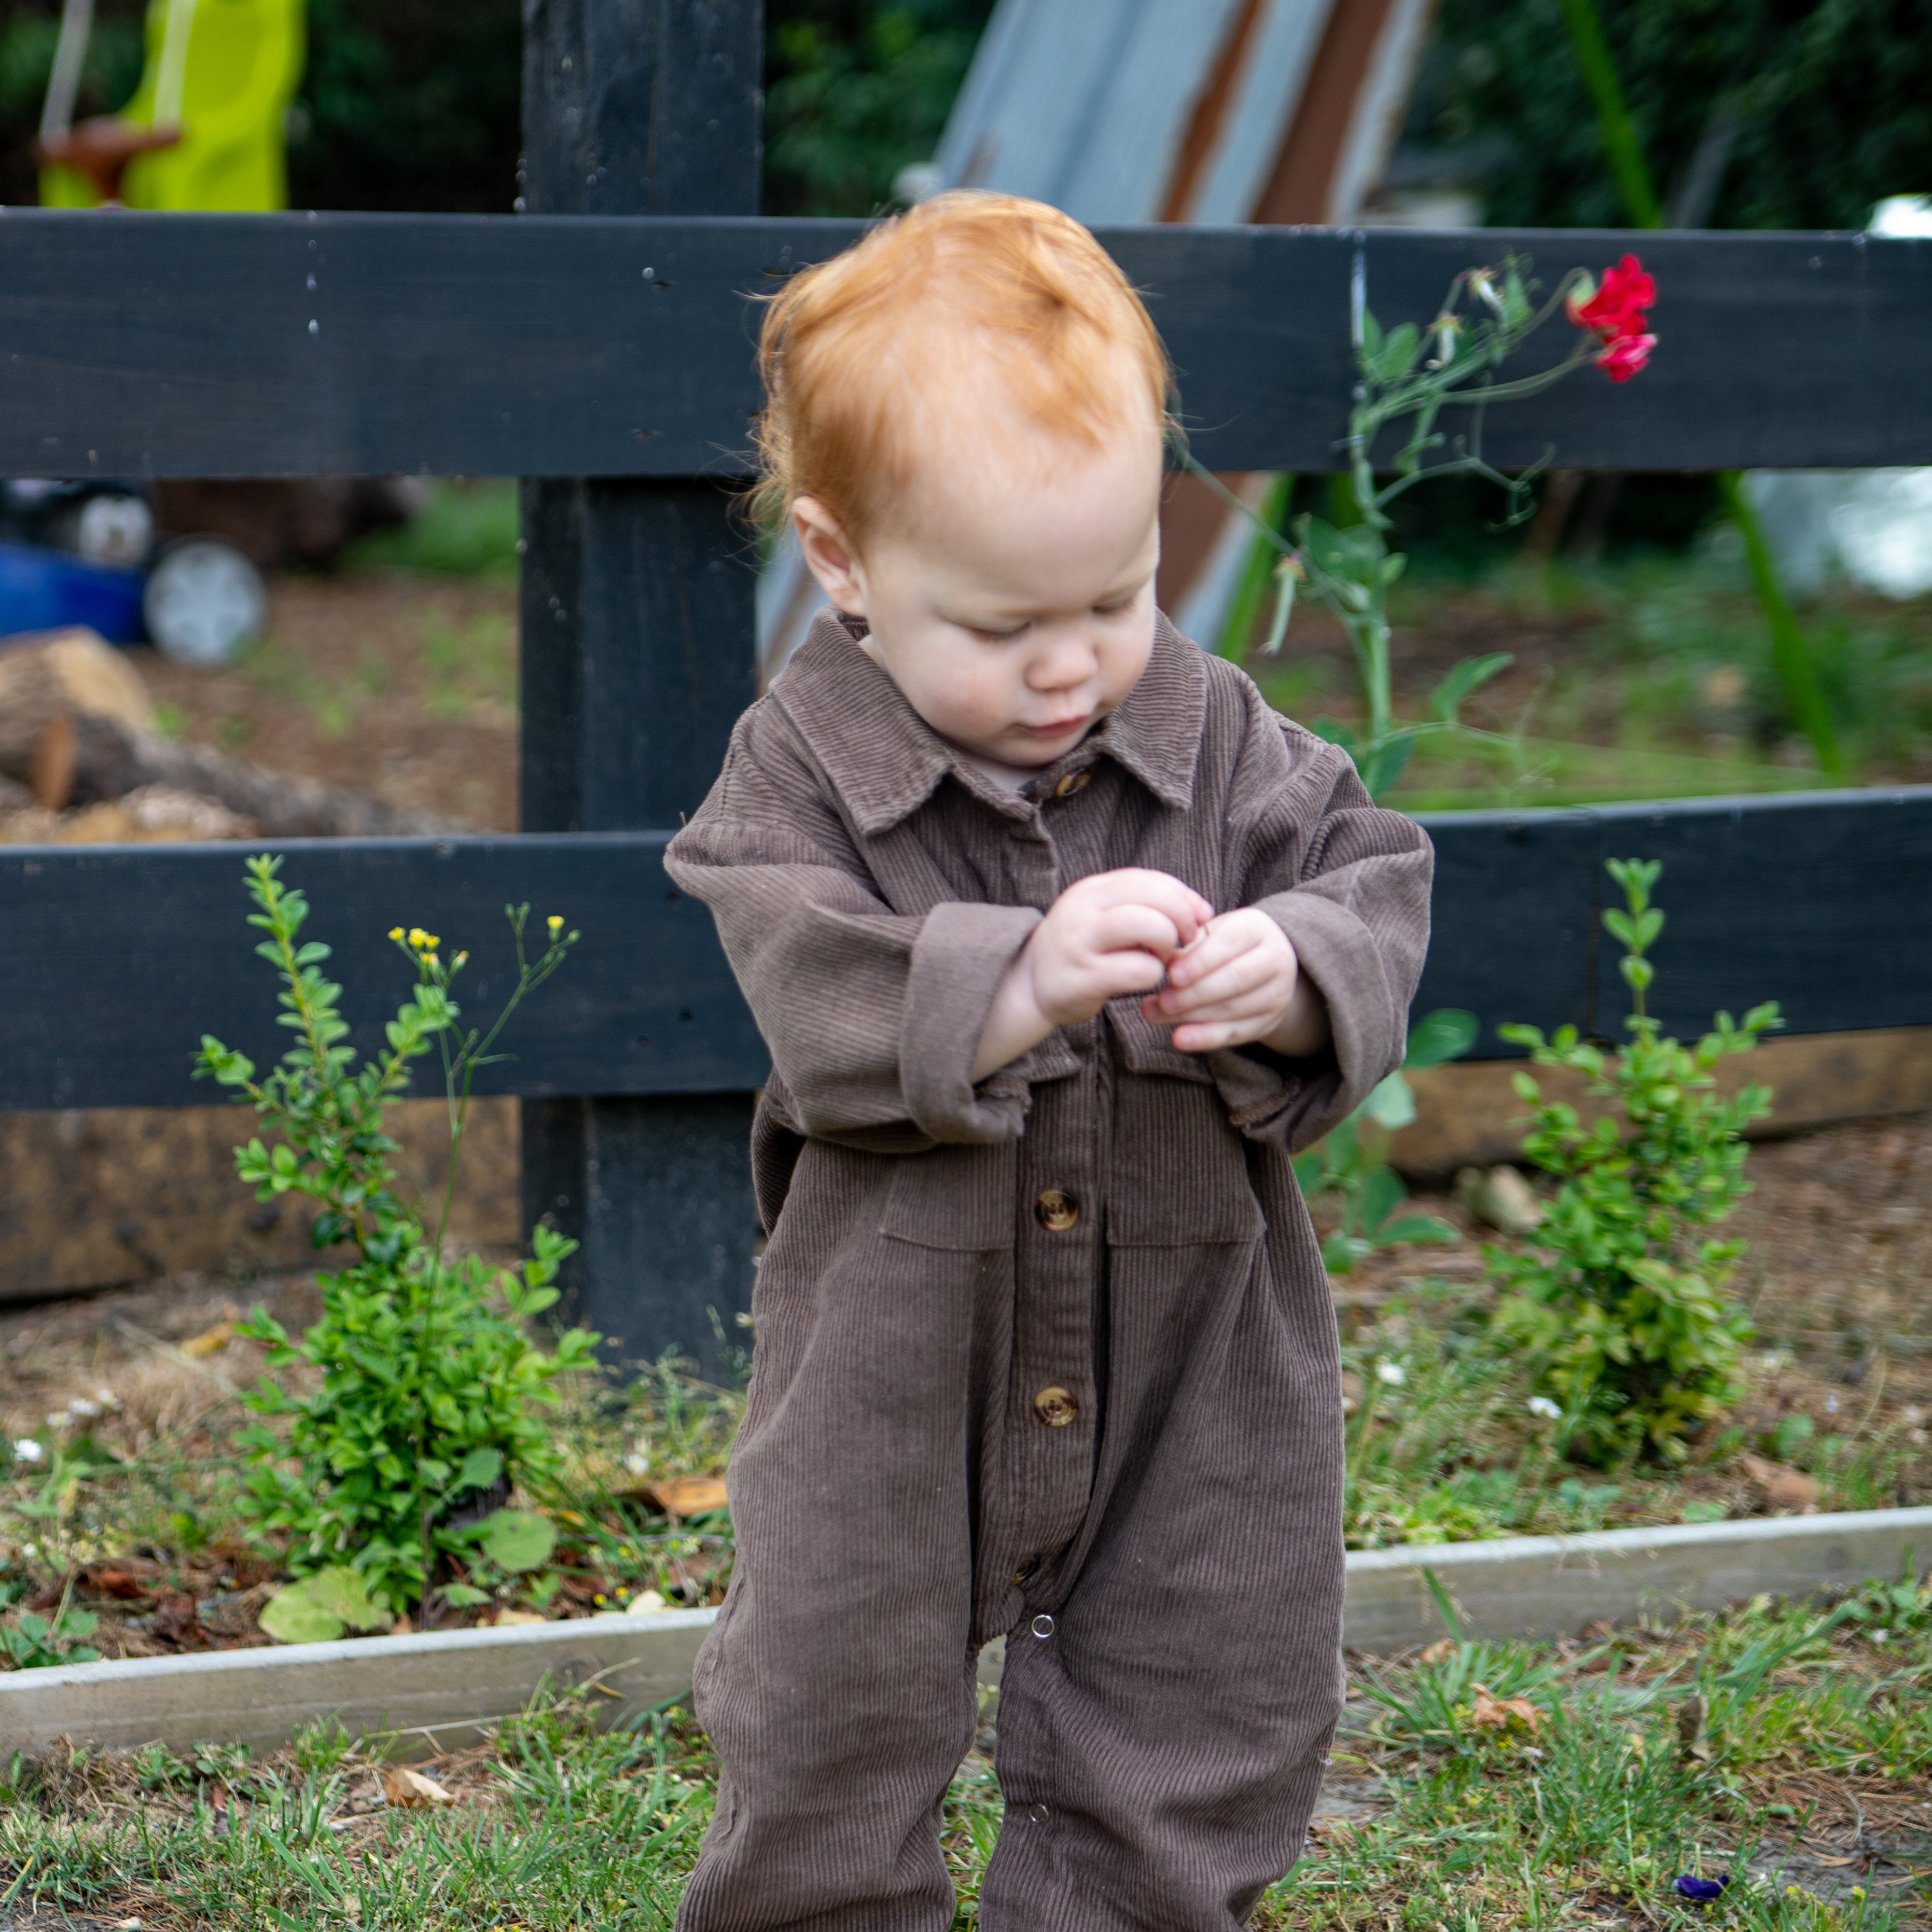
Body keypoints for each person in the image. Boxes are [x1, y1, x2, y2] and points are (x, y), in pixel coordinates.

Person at [664, 190, 1433, 1932]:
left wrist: (1293, 970)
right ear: (843, 562)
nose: (1073, 663)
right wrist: (1018, 982)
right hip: (890, 1356)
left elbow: (1373, 875)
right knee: (829, 1708)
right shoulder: (792, 773)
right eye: (1005, 627)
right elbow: (801, 972)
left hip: (1196, 1350)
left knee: (1206, 1690)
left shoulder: (1217, 734)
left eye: (1118, 591)